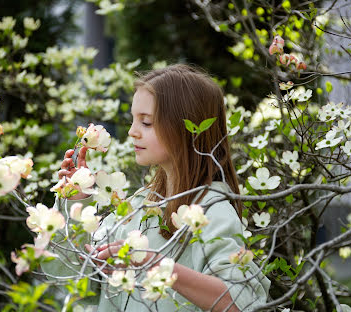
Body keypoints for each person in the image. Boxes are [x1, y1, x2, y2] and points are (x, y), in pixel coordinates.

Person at [45, 64, 270, 311]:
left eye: (147, 123)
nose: (132, 132)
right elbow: (72, 278)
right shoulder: (140, 206)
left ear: (185, 127)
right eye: (134, 120)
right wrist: (76, 201)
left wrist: (156, 264)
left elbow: (240, 302)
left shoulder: (212, 212)